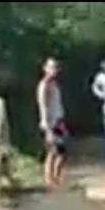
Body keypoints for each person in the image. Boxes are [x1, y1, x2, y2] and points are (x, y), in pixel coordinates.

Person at [36, 57, 68, 189]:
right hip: (51, 122)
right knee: (52, 151)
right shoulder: (44, 85)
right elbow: (42, 104)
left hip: (59, 120)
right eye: (51, 67)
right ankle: (49, 180)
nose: (53, 70)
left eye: (55, 67)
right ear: (45, 68)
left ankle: (56, 177)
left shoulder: (54, 84)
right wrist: (45, 123)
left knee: (62, 151)